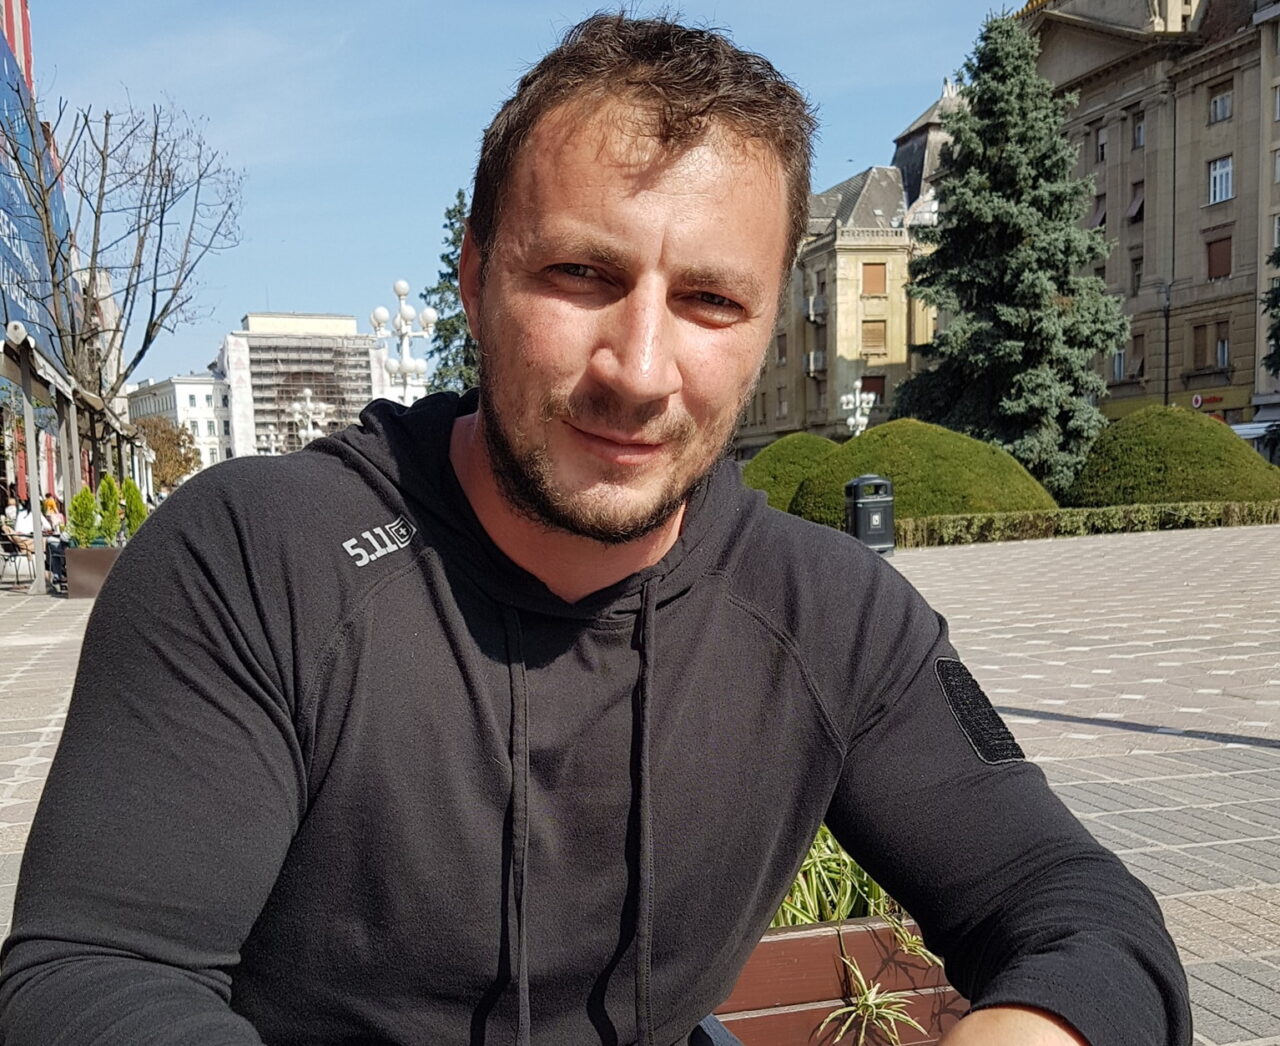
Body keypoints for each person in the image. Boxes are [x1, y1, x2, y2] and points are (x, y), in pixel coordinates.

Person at [0, 15, 1189, 1046]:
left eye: (711, 299)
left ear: (768, 321)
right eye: (579, 274)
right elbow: (94, 975)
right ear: (474, 279)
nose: (639, 368)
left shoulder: (828, 614)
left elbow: (1078, 911)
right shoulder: (259, 559)